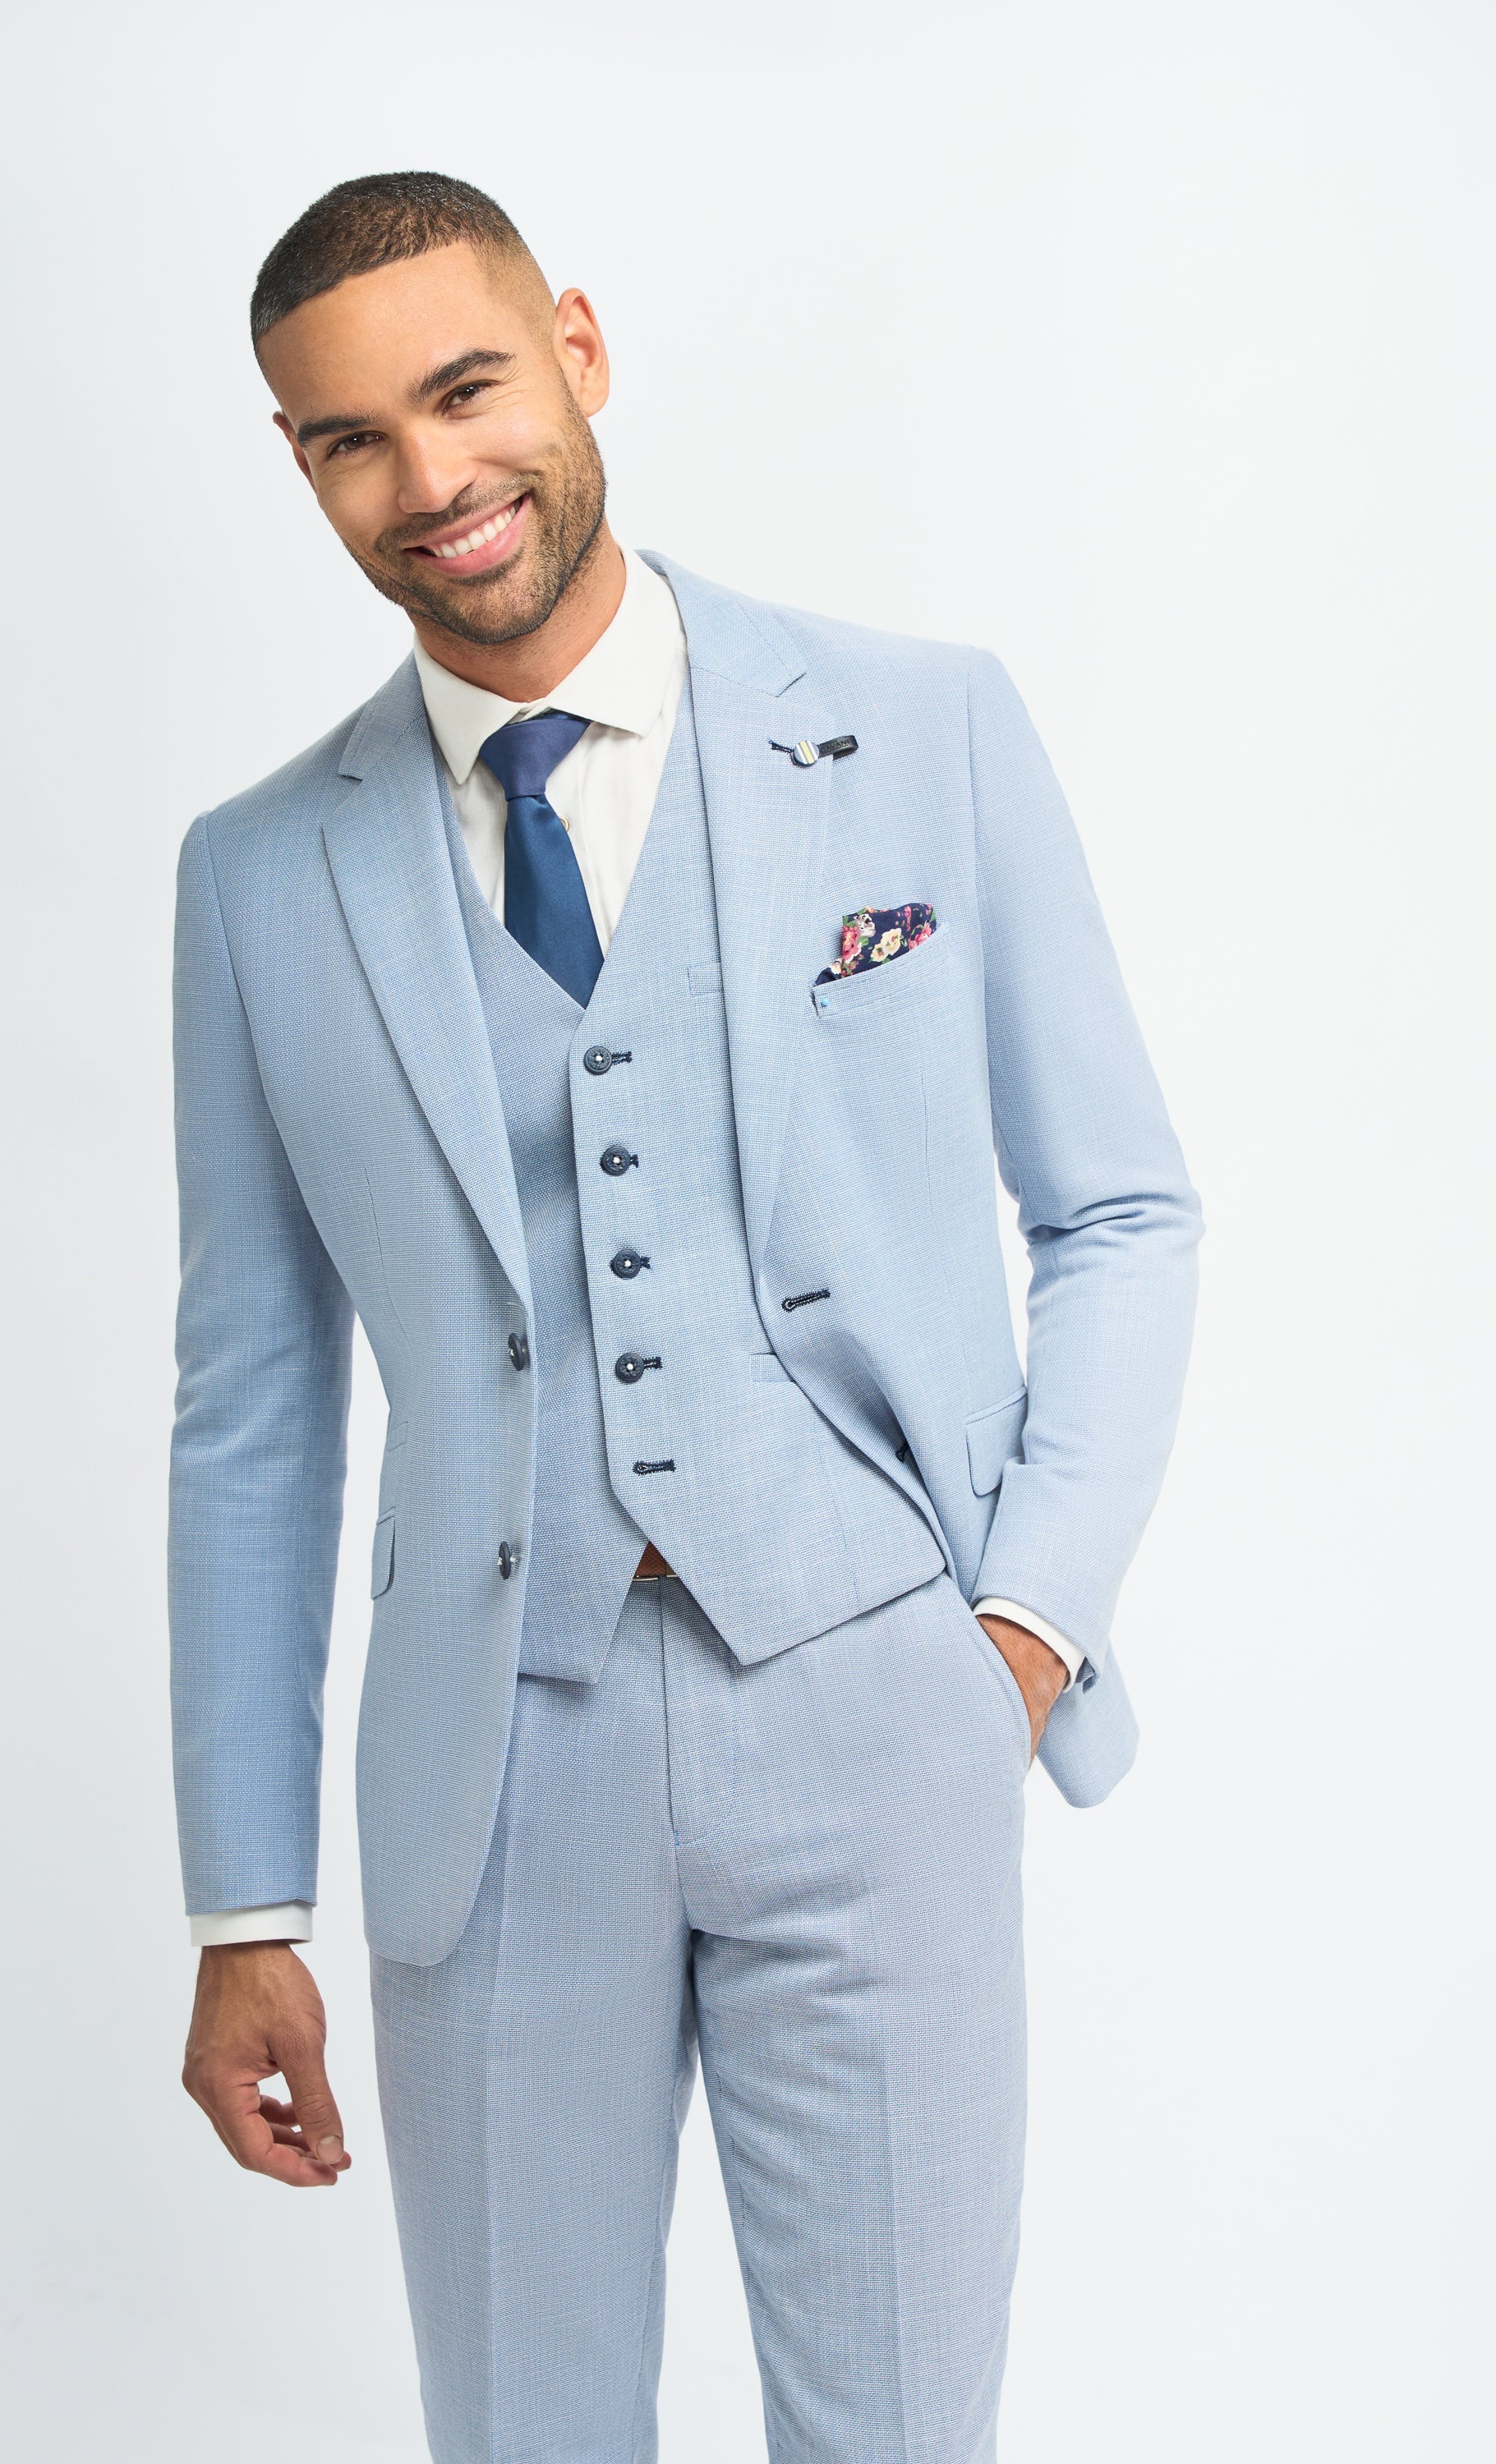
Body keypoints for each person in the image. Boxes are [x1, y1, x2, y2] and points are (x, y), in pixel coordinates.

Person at [173, 171, 1200, 2462]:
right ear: (301, 466)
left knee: (903, 2435)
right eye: (353, 438)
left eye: (466, 390)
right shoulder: (254, 875)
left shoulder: (921, 726)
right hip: (495, 1773)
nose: (432, 481)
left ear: (581, 349)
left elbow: (1124, 1206)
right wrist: (243, 1896)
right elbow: (250, 1405)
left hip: (878, 1710)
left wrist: (1017, 1628)